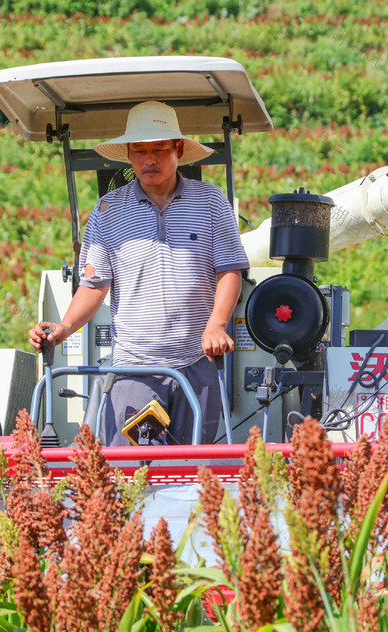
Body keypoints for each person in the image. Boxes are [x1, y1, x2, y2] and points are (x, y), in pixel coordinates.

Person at [28, 101, 249, 445]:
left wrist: (217, 325)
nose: (150, 159)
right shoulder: (107, 211)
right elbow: (94, 284)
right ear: (129, 155)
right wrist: (63, 327)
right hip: (135, 367)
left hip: (199, 362)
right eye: (140, 150)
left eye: (160, 149)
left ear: (178, 149)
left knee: (192, 472)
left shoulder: (210, 201)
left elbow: (229, 268)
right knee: (131, 473)